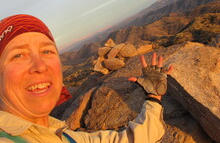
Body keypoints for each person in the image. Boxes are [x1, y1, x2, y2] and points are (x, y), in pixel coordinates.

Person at [0, 14, 173, 143]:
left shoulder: (65, 136)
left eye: (47, 51)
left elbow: (132, 139)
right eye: (18, 55)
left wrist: (153, 98)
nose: (40, 66)